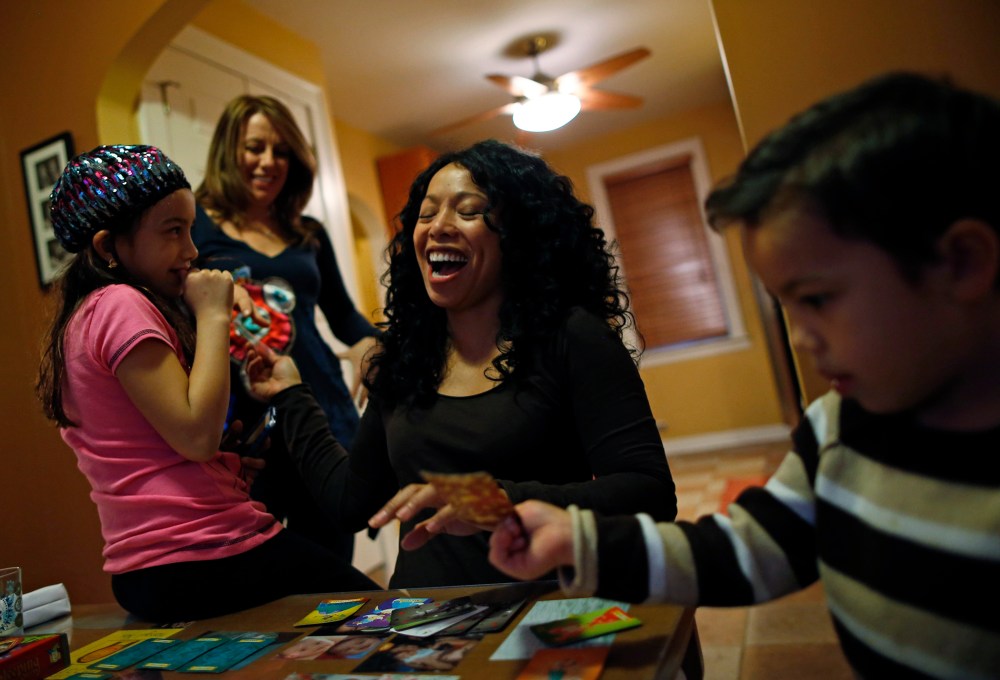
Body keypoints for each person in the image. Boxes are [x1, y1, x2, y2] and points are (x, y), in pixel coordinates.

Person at [487, 72, 1000, 679]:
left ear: (960, 263)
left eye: (818, 299)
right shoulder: (835, 427)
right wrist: (581, 541)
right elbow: (753, 549)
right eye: (788, 306)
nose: (801, 338)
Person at [243, 139, 678, 589]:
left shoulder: (573, 337)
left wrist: (496, 501)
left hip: (547, 608)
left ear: (519, 234)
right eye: (426, 214)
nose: (438, 227)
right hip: (425, 618)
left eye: (468, 211)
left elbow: (649, 492)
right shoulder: (404, 357)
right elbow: (350, 503)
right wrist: (292, 396)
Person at [37, 145, 378, 623]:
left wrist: (224, 461)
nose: (192, 250)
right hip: (204, 549)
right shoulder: (120, 304)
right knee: (382, 614)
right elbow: (196, 435)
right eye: (173, 231)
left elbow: (153, 444)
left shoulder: (82, 318)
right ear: (107, 246)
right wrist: (214, 314)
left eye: (190, 229)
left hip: (149, 565)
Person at [193, 94, 378, 559]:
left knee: (333, 568)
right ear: (228, 150)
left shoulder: (308, 232)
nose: (269, 162)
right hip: (244, 431)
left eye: (281, 151)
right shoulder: (194, 225)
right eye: (255, 147)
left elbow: (343, 315)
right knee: (258, 568)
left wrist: (369, 344)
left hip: (320, 415)